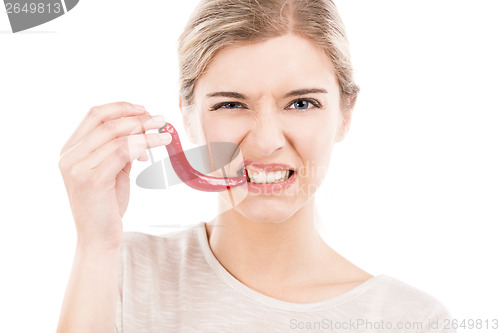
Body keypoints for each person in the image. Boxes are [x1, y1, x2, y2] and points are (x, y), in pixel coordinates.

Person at [56, 0, 455, 332]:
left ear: (345, 116)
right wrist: (94, 244)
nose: (266, 142)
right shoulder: (120, 270)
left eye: (301, 103)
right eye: (231, 104)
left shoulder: (411, 320)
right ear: (190, 118)